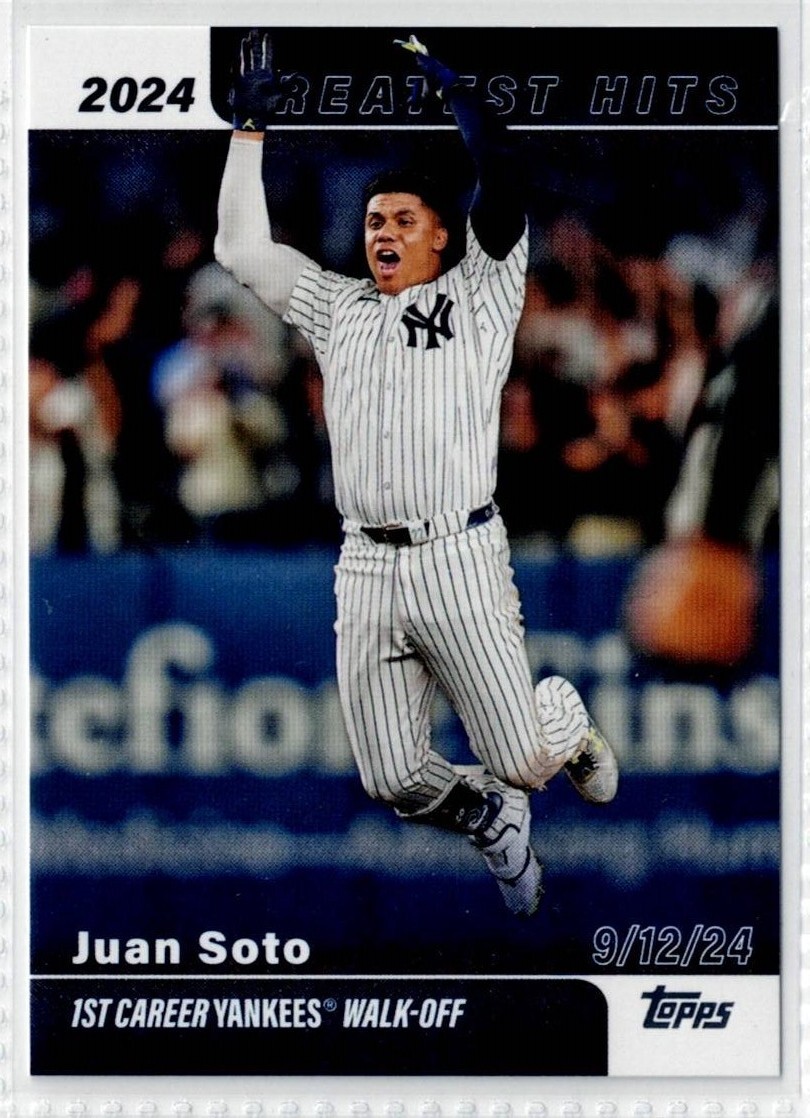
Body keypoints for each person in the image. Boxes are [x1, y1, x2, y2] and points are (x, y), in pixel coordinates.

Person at [215, 31, 618, 918]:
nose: (384, 232)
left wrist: (461, 95)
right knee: (392, 776)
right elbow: (239, 247)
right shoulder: (338, 306)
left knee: (524, 757)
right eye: (373, 222)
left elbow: (503, 176)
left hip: (456, 554)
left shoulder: (480, 292)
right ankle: (487, 816)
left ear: (443, 233)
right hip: (365, 560)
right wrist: (248, 132)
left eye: (403, 219)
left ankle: (562, 717)